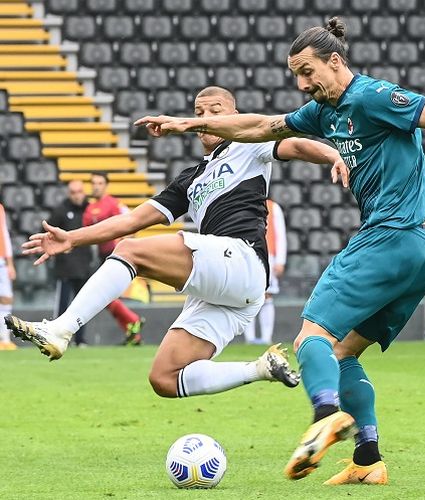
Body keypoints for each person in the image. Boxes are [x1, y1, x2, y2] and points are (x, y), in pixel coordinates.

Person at [134, 17, 425, 485]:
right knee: (342, 353)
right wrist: (190, 124)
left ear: (335, 61)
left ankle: (325, 415)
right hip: (424, 247)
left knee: (310, 338)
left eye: (307, 71)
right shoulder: (322, 112)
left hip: (391, 235)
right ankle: (367, 458)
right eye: (295, 75)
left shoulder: (373, 96)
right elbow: (261, 126)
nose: (301, 84)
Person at [6, 85, 349, 402]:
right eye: (199, 113)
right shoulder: (190, 179)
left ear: (234, 115)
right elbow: (130, 220)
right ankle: (260, 368)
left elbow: (297, 144)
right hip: (231, 293)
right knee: (165, 378)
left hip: (243, 260)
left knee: (130, 250)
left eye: (215, 110)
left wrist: (332, 155)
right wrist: (72, 239)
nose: (205, 119)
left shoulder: (250, 144)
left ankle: (62, 328)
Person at [83, 171, 145, 345]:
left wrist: (126, 244)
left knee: (106, 296)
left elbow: (133, 223)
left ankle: (133, 321)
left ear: (106, 185)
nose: (96, 186)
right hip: (100, 257)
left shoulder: (114, 204)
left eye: (100, 183)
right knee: (106, 298)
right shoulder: (89, 209)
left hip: (114, 255)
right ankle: (133, 331)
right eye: (94, 182)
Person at [48, 180, 95, 347]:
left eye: (80, 191)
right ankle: (54, 338)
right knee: (62, 306)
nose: (77, 195)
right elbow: (49, 234)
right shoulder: (61, 211)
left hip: (84, 266)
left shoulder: (90, 210)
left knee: (83, 306)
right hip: (65, 268)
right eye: (74, 192)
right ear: (69, 194)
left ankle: (80, 340)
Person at [243, 198, 286, 345]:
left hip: (269, 256)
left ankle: (266, 338)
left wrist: (280, 260)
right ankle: (249, 338)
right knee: (248, 295)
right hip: (248, 254)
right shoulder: (243, 204)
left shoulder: (273, 207)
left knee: (267, 295)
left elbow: (280, 235)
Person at [0, 203, 16, 351]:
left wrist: (10, 263)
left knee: (6, 297)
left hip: (1, 261)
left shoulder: (0, 208)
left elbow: (4, 235)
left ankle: (5, 339)